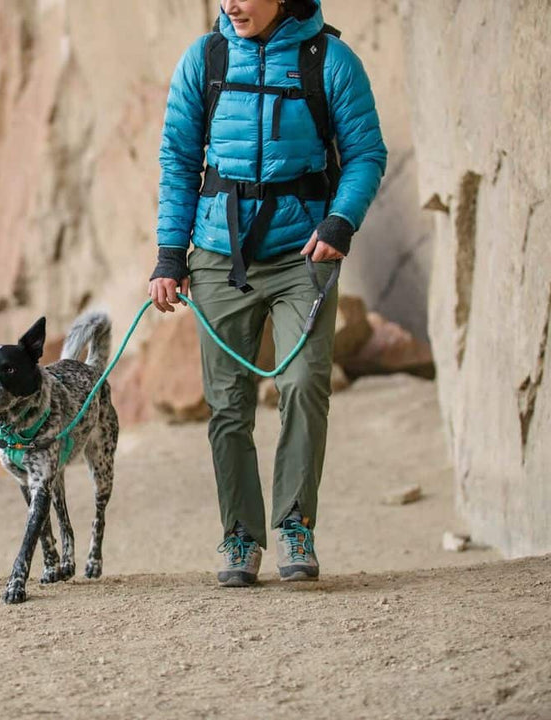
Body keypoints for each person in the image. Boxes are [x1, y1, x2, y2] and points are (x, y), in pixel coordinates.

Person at [148, 0, 386, 586]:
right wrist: (170, 256)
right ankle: (239, 537)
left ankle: (294, 524)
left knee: (304, 383)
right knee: (228, 404)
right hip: (216, 256)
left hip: (303, 255)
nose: (232, 3)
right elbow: (178, 161)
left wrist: (340, 222)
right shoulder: (203, 60)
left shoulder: (330, 60)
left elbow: (365, 154)